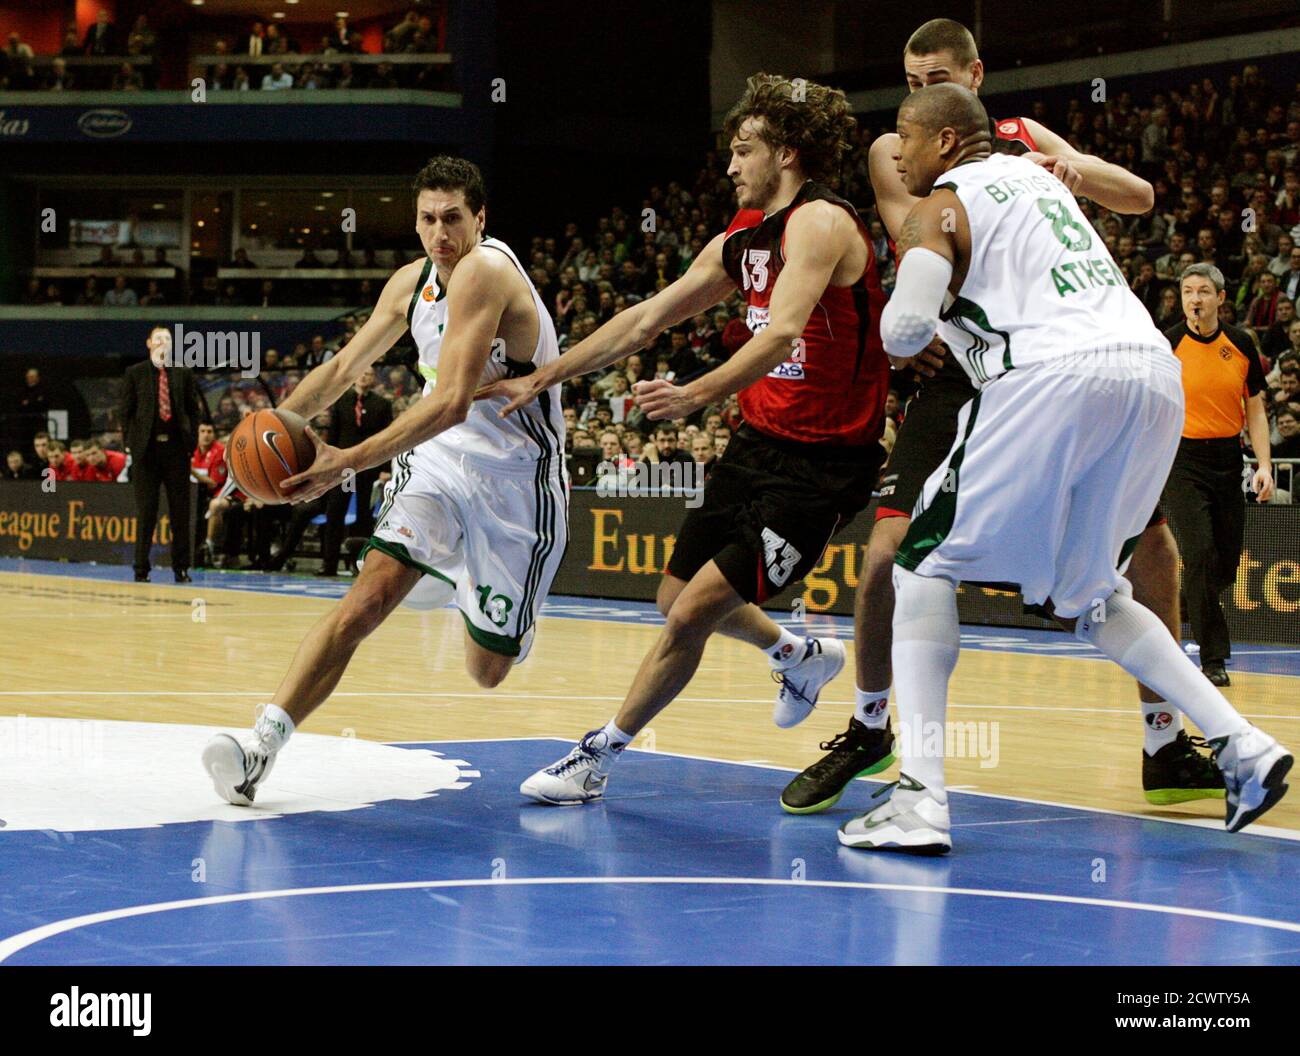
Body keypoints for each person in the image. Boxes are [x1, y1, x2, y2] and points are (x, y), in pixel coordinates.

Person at [833, 83, 1290, 854]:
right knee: (1092, 595)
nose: (895, 152)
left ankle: (920, 797)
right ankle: (1242, 744)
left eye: (905, 136)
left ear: (947, 141)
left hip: (1050, 376)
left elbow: (907, 329)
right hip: (1148, 375)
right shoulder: (1041, 181)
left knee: (918, 567)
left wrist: (895, 314)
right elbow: (1131, 200)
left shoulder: (939, 205)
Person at [781, 17, 1206, 820]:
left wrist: (1067, 167)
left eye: (933, 76)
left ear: (974, 78)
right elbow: (926, 246)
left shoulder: (1016, 138)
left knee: (1153, 545)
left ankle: (1165, 740)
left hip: (1045, 358)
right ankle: (873, 726)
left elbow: (1140, 198)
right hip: (960, 360)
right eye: (908, 81)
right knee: (887, 554)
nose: (917, 92)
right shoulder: (897, 150)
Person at [486, 73, 893, 804]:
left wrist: (696, 392)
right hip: (759, 445)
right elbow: (645, 319)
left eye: (744, 151)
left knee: (695, 610)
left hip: (823, 463)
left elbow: (787, 334)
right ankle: (796, 654)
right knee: (673, 595)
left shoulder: (822, 224)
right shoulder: (742, 238)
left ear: (789, 154)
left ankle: (597, 755)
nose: (731, 166)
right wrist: (541, 378)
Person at [202, 156, 568, 806]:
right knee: (365, 601)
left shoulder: (486, 271)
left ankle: (472, 586)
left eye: (453, 218)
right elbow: (345, 365)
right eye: (427, 218)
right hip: (438, 462)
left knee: (488, 670)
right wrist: (272, 430)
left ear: (479, 219)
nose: (439, 232)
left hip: (517, 481)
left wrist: (345, 460)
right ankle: (260, 749)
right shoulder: (412, 283)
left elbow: (454, 398)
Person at [1162, 264, 1274, 686]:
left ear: (1220, 298)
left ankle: (1187, 602)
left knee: (1225, 563)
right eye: (1188, 291)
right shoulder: (1168, 343)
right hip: (1182, 459)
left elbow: (1257, 410)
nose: (1195, 299)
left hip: (1229, 459)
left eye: (1204, 291)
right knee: (1201, 552)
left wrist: (1263, 465)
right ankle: (1213, 659)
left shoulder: (1242, 344)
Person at [121, 326, 208, 583]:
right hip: (146, 452)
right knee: (146, 511)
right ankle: (141, 568)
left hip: (176, 450)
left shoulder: (183, 373)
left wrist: (190, 442)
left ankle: (181, 568)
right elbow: (126, 411)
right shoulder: (135, 373)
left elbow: (194, 410)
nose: (163, 342)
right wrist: (130, 444)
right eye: (158, 338)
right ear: (149, 343)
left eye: (168, 339)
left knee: (180, 512)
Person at [317, 366, 393, 576]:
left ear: (373, 378)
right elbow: (333, 435)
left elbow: (388, 438)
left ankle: (360, 565)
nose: (364, 376)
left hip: (368, 468)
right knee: (335, 513)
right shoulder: (341, 402)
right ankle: (329, 564)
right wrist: (327, 465)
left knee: (363, 517)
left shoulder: (382, 404)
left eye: (368, 374)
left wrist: (385, 469)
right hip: (343, 470)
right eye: (361, 372)